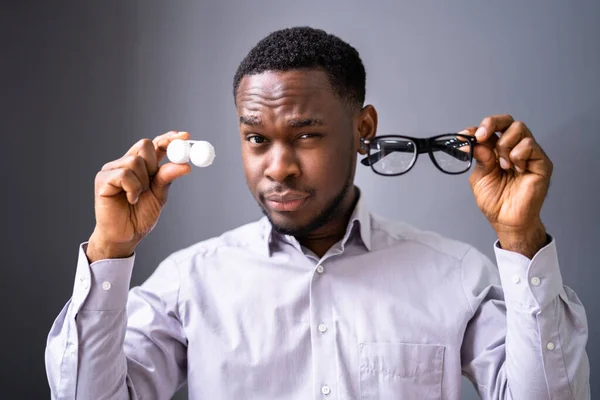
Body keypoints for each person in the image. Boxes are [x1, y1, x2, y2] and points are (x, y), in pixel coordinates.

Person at [45, 26, 590, 399]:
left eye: (306, 134)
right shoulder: (191, 283)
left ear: (364, 130)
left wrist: (521, 239)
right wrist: (109, 251)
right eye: (257, 138)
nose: (277, 168)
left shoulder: (455, 275)